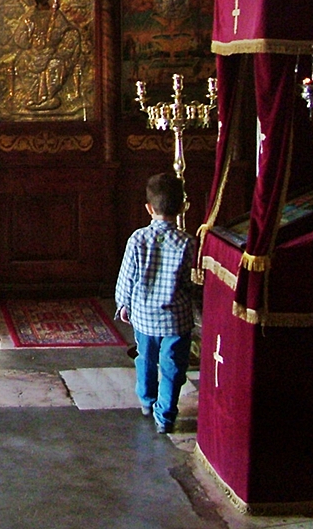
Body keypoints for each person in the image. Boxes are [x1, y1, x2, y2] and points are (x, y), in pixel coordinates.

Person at [114, 173, 196, 434]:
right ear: (183, 207)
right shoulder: (188, 242)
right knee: (173, 365)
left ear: (149, 208)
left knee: (146, 357)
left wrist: (123, 303)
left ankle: (147, 400)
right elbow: (189, 282)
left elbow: (127, 276)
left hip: (143, 314)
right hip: (176, 318)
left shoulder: (138, 239)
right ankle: (166, 415)